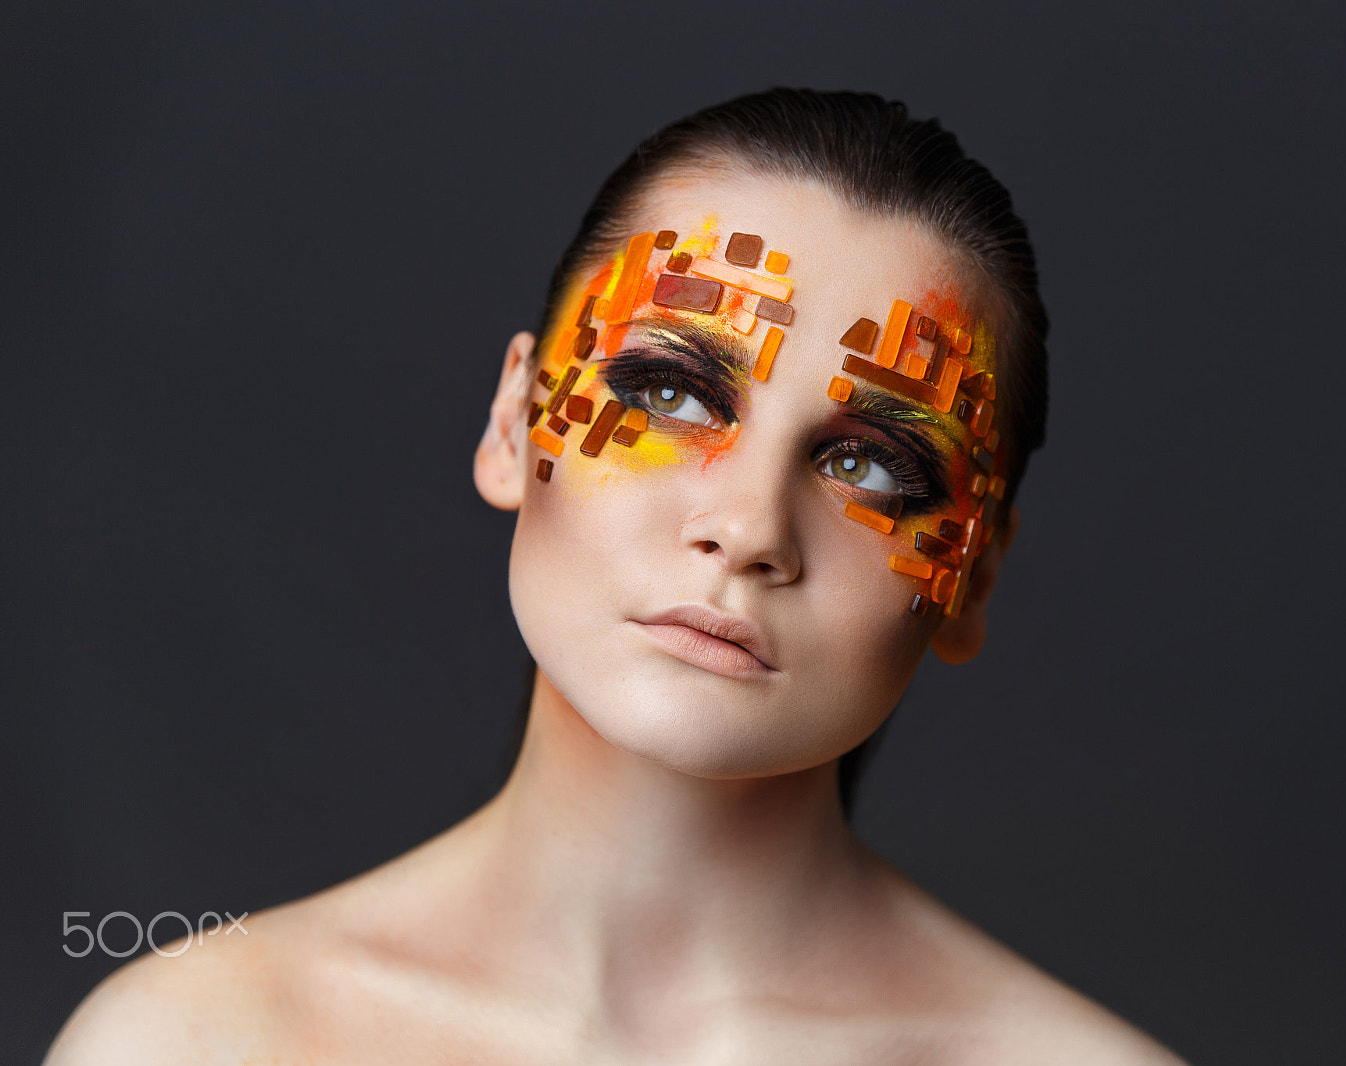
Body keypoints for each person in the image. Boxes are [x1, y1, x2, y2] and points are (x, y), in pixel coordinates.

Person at [47, 88, 1185, 1064]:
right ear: (512, 419)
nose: (746, 527)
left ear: (971, 576)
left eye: (870, 463)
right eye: (672, 392)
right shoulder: (194, 1042)